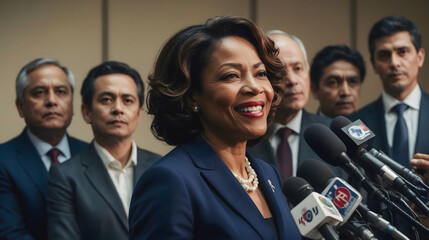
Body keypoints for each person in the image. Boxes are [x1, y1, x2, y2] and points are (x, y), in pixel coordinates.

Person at [128, 16, 301, 240]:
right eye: (231, 76)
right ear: (191, 96)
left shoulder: (268, 174)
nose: (254, 87)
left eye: (260, 73)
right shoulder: (170, 180)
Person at [47, 61, 161, 240]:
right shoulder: (65, 176)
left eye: (128, 100)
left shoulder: (160, 167)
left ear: (139, 114)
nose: (118, 108)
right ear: (87, 112)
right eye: (106, 100)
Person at [0, 58, 87, 240]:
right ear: (20, 106)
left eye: (61, 92)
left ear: (72, 104)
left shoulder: (92, 154)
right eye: (39, 92)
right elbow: (10, 233)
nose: (52, 101)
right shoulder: (4, 160)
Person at [249, 30, 341, 180]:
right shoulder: (243, 140)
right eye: (280, 72)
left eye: (298, 68)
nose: (292, 80)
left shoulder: (334, 137)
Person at [349, 16, 428, 170]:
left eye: (402, 52)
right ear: (373, 64)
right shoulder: (356, 123)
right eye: (384, 55)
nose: (394, 63)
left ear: (420, 57)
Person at [310, 45, 366, 118]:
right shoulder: (305, 129)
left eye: (353, 81)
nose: (346, 92)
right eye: (333, 83)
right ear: (315, 90)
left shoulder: (371, 127)